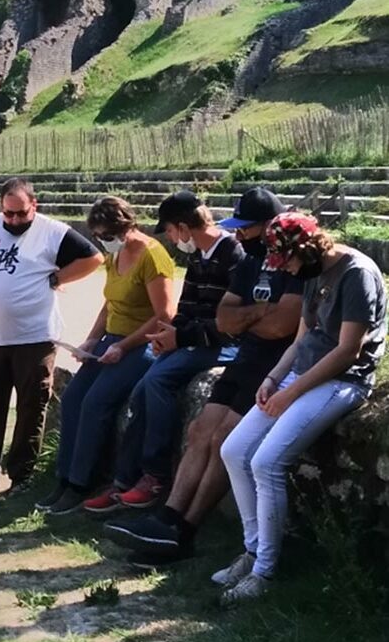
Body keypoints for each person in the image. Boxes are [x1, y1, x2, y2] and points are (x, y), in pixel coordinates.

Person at [105, 187, 303, 558]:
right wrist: (260, 314)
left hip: (275, 365)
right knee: (199, 431)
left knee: (223, 439)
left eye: (247, 228)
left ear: (270, 224)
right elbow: (227, 320)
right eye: (238, 227)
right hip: (247, 358)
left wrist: (247, 320)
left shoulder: (292, 264)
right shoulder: (249, 263)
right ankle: (165, 519)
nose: (240, 234)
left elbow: (283, 327)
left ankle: (185, 531)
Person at [215, 212, 386, 603]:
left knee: (267, 462)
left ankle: (264, 572)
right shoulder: (311, 272)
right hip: (303, 375)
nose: (287, 270)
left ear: (306, 249)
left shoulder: (355, 274)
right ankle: (253, 548)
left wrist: (289, 394)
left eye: (288, 261)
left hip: (342, 381)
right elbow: (301, 339)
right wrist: (273, 379)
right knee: (235, 451)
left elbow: (347, 351)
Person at [83, 190, 243, 513]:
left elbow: (230, 322)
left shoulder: (232, 254)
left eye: (170, 230)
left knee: (157, 381)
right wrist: (167, 334)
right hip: (194, 339)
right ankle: (125, 480)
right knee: (143, 387)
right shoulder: (199, 255)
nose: (171, 238)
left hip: (223, 345)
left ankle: (154, 476)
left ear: (183, 227)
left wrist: (179, 337)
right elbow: (185, 307)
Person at [0, 177, 102, 499]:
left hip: (35, 338)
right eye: (8, 214)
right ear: (0, 209)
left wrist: (59, 277)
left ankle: (21, 478)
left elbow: (93, 258)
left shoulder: (52, 231)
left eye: (21, 214)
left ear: (34, 206)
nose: (14, 221)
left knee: (30, 409)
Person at [35, 196, 176, 515]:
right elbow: (109, 303)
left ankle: (82, 482)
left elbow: (165, 314)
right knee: (72, 398)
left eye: (108, 236)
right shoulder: (115, 256)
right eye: (99, 236)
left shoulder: (153, 256)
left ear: (127, 226)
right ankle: (64, 477)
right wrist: (91, 341)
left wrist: (123, 346)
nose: (104, 242)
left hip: (140, 346)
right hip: (110, 341)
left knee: (96, 402)